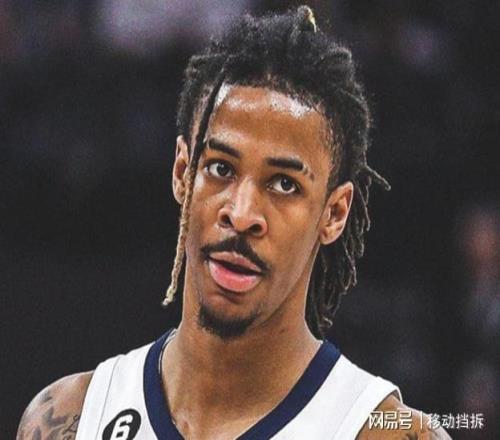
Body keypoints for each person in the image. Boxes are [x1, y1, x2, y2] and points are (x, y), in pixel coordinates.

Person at [17, 6, 450, 440]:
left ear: (334, 213)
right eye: (221, 169)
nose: (241, 216)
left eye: (284, 184)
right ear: (182, 173)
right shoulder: (68, 419)